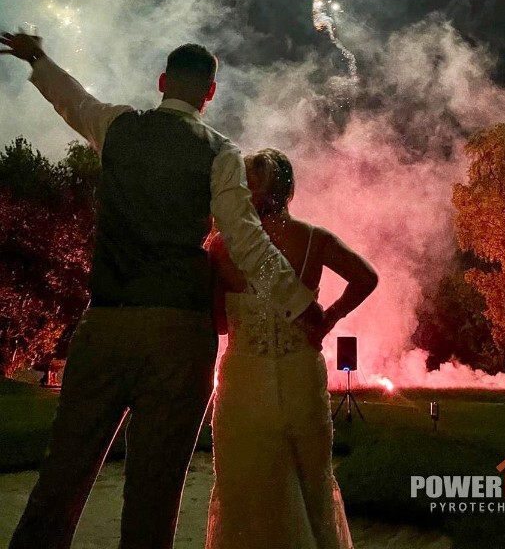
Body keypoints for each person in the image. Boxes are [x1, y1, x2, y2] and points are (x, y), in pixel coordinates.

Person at [0, 32, 323, 549]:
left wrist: (38, 58)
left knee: (59, 485)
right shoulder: (221, 152)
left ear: (162, 82)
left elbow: (73, 100)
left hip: (105, 326)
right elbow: (246, 239)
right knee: (154, 498)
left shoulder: (119, 126)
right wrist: (300, 303)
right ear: (210, 93)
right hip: (179, 336)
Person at [206, 148, 378, 549]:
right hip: (301, 373)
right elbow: (365, 277)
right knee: (311, 482)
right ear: (289, 190)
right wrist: (329, 318)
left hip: (245, 382)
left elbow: (217, 324)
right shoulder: (314, 239)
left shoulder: (222, 246)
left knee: (242, 486)